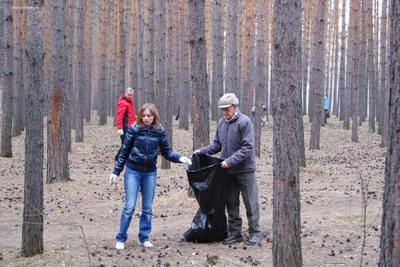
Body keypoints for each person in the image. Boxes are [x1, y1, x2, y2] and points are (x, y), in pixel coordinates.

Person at [109, 103, 192, 250]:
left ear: (154, 117)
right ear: (140, 116)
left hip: (150, 173)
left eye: (149, 116)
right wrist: (116, 171)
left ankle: (144, 237)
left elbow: (167, 152)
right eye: (144, 115)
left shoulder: (159, 131)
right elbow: (124, 151)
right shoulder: (134, 130)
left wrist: (180, 158)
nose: (146, 118)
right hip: (133, 172)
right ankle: (121, 238)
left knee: (147, 208)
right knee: (129, 207)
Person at [194, 93, 261, 246]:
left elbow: (247, 147)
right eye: (222, 109)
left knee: (250, 202)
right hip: (227, 171)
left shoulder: (245, 122)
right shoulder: (221, 124)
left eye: (227, 108)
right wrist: (202, 151)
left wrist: (230, 161)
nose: (224, 112)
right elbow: (216, 145)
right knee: (231, 203)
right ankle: (235, 233)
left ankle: (254, 233)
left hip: (245, 170)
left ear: (235, 106)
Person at [115, 87, 136, 161]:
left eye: (131, 94)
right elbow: (119, 116)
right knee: (126, 144)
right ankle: (118, 158)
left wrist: (136, 117)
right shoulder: (123, 102)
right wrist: (120, 128)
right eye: (129, 94)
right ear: (125, 93)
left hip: (130, 127)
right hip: (125, 127)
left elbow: (130, 115)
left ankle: (120, 157)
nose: (130, 96)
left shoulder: (129, 103)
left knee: (127, 143)